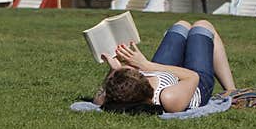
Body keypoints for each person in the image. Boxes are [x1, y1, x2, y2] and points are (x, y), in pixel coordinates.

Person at [92, 19, 236, 113]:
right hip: (195, 84)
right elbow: (192, 76)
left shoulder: (116, 95)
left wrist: (114, 69)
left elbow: (100, 97)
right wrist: (146, 64)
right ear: (143, 81)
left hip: (159, 72)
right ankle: (231, 90)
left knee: (181, 26)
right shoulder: (168, 98)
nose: (132, 67)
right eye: (136, 71)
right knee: (203, 27)